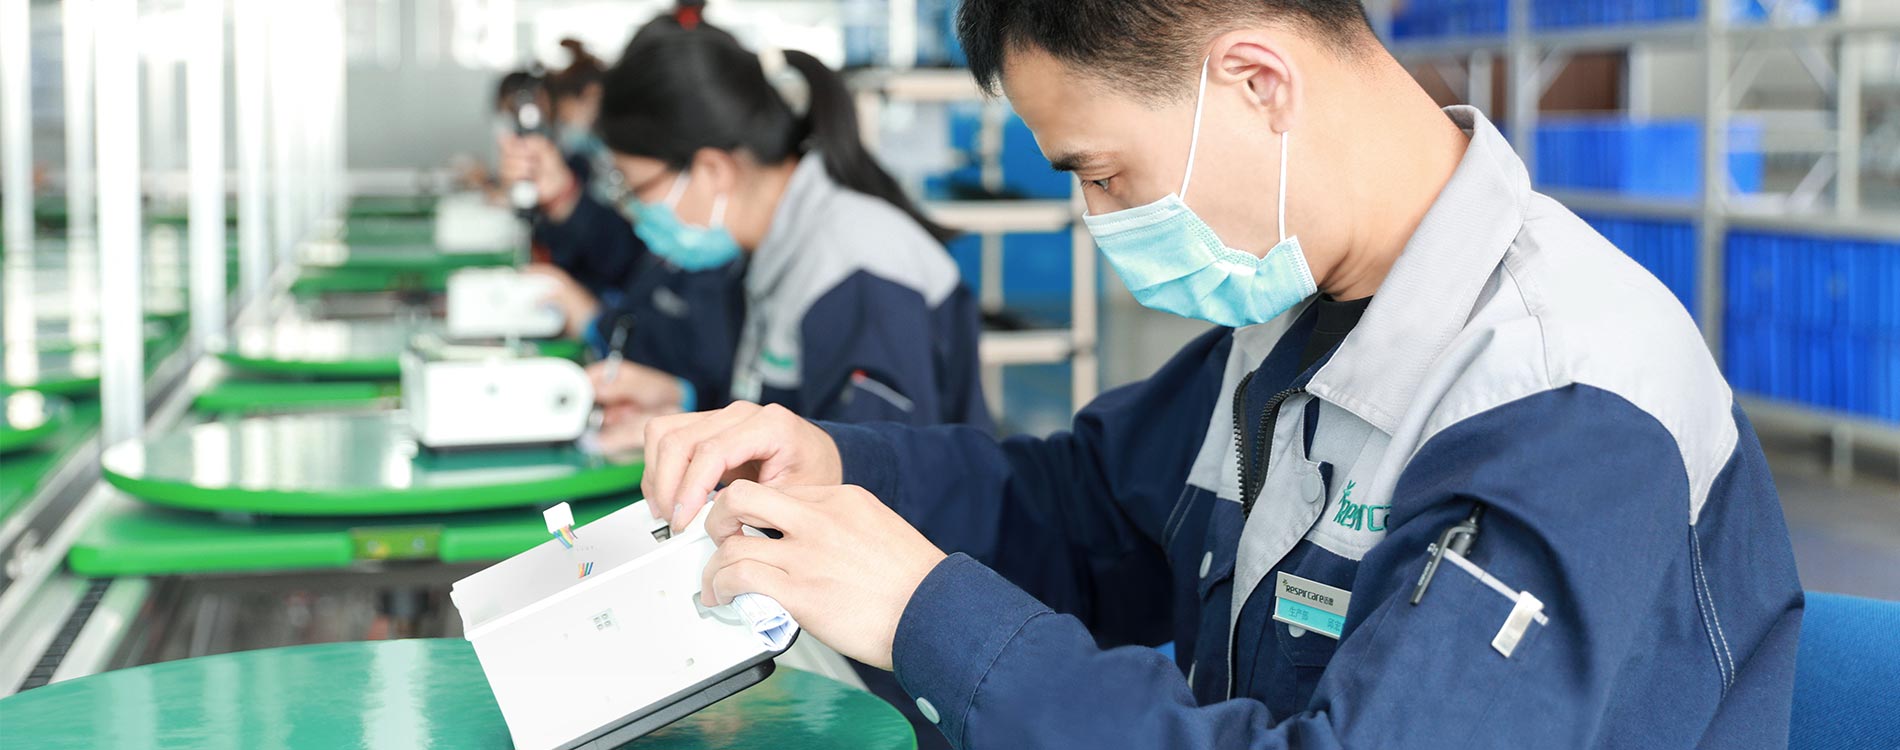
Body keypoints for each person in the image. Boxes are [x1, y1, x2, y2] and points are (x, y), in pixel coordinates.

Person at [635, 1, 1805, 748]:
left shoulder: (1562, 404)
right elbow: (1089, 510)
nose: (1098, 218)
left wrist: (931, 617)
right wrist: (840, 468)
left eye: (1104, 174)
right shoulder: (1301, 319)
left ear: (1258, 83)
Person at [578, 26, 992, 454]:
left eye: (636, 189)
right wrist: (683, 403)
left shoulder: (853, 268)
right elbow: (791, 422)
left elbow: (870, 471)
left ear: (713, 170)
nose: (633, 211)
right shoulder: (773, 251)